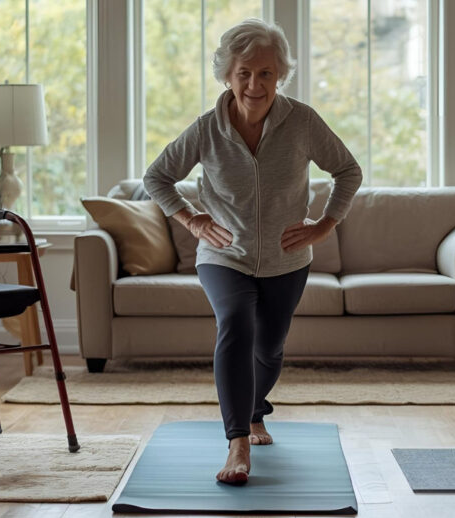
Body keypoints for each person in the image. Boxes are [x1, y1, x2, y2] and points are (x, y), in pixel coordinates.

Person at [144, 18, 362, 485]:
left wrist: (325, 224)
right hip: (225, 256)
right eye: (244, 72)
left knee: (270, 347)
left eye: (265, 73)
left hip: (287, 260)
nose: (254, 84)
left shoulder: (301, 121)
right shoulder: (206, 129)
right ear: (227, 75)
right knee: (236, 325)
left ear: (279, 75)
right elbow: (156, 177)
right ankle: (237, 440)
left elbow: (347, 169)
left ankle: (257, 406)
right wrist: (191, 218)